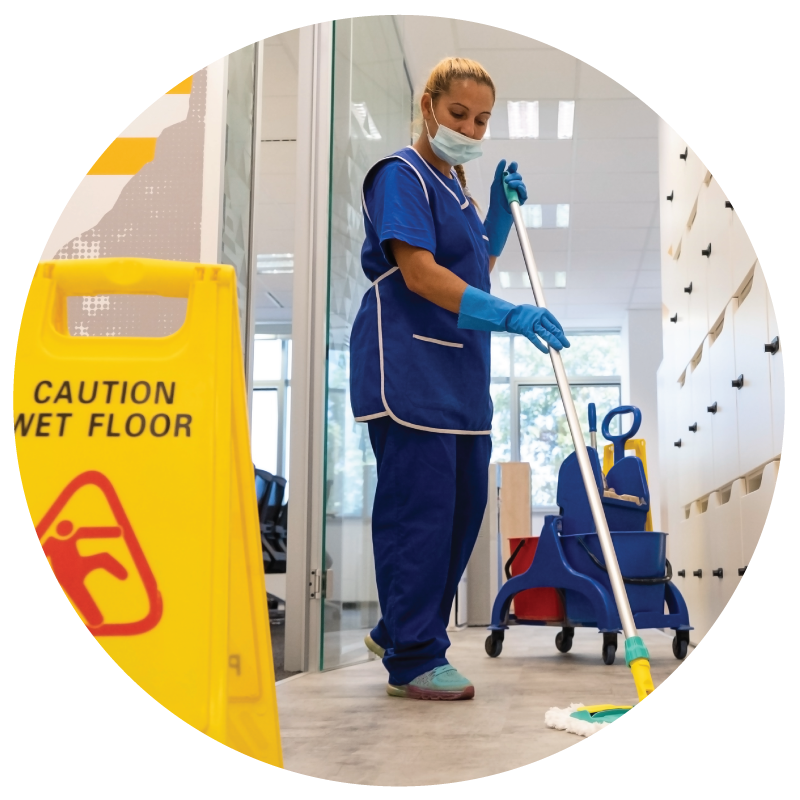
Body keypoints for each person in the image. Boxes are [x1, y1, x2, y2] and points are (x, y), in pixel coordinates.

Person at [350, 57, 570, 701]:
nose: (469, 129)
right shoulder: (402, 175)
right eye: (458, 115)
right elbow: (421, 274)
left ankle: (399, 626)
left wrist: (497, 213)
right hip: (410, 369)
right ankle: (415, 656)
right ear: (428, 106)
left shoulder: (459, 190)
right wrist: (511, 315)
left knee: (463, 514)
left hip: (460, 376)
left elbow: (478, 263)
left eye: (480, 121)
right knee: (420, 515)